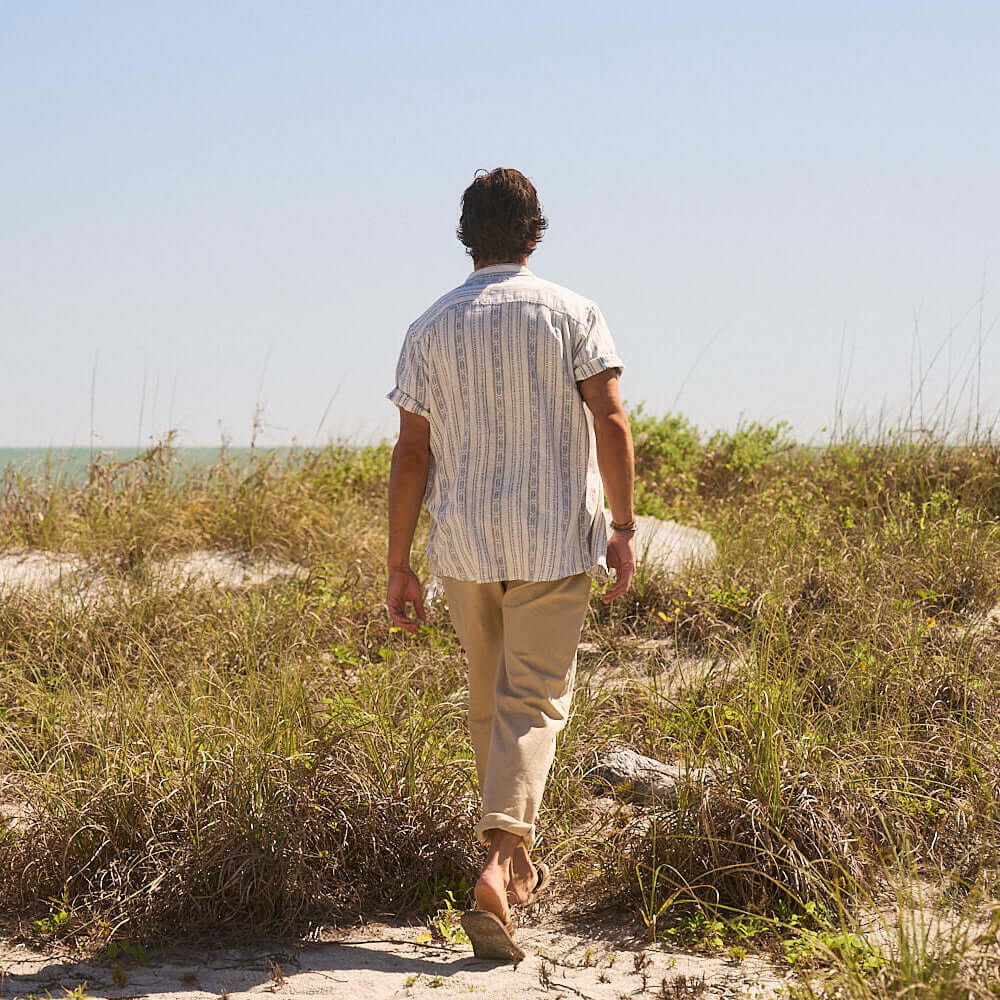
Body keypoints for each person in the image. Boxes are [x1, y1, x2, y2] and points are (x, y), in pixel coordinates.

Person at [385, 167, 636, 962]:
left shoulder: (430, 326)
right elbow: (612, 419)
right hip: (553, 541)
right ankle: (498, 860)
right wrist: (623, 527)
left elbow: (411, 454)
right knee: (532, 701)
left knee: (493, 701)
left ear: (467, 236)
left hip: (463, 547)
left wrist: (398, 564)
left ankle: (515, 862)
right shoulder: (573, 313)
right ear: (535, 232)